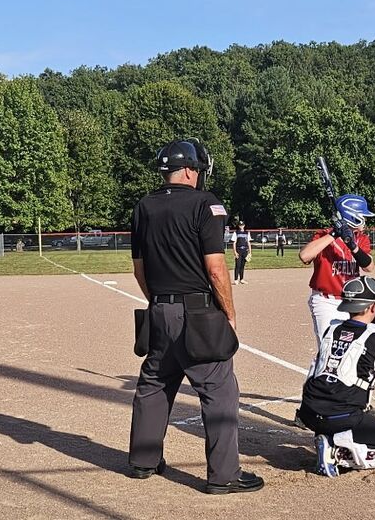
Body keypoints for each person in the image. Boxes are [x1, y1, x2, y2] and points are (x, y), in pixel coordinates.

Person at [128, 139, 263, 495]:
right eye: (198, 169)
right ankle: (223, 474)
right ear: (189, 169)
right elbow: (216, 269)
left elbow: (139, 268)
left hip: (158, 308)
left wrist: (159, 302)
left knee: (154, 384)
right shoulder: (207, 204)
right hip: (198, 310)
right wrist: (229, 314)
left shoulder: (144, 206)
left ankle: (143, 461)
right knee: (218, 388)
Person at [296, 276, 375, 477]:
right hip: (344, 417)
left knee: (338, 411)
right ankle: (337, 454)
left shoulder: (331, 328)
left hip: (309, 413)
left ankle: (330, 439)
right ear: (371, 307)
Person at [298, 195, 375, 341]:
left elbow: (369, 266)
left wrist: (351, 244)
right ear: (353, 217)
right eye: (363, 217)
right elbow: (304, 256)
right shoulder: (324, 236)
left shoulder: (361, 239)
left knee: (352, 347)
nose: (365, 222)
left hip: (352, 302)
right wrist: (334, 234)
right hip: (326, 301)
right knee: (329, 347)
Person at [232, 220, 252, 284]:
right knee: (238, 265)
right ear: (238, 226)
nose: (241, 226)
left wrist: (250, 251)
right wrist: (234, 251)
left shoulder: (247, 233)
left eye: (242, 225)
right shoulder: (236, 233)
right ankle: (235, 279)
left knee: (242, 265)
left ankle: (241, 279)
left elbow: (248, 242)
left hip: (245, 250)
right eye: (240, 225)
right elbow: (234, 243)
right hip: (238, 250)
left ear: (244, 225)